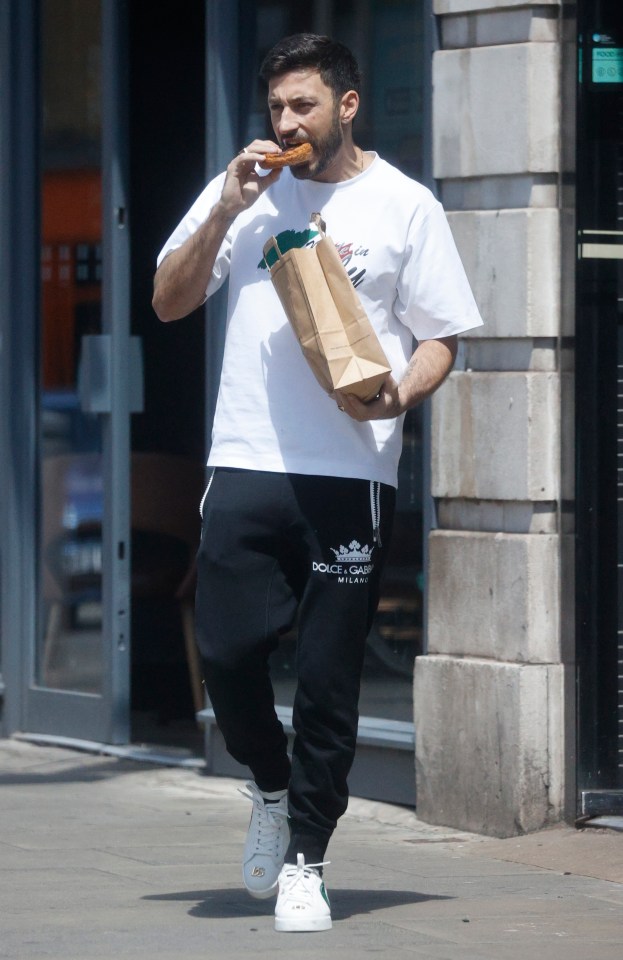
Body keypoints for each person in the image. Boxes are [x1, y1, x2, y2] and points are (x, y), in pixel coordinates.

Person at [153, 33, 483, 933]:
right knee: (224, 657)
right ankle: (267, 783)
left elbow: (442, 335)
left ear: (347, 105)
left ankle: (307, 857)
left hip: (349, 472)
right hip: (247, 460)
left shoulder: (403, 205)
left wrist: (396, 394)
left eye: (302, 105)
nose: (285, 124)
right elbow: (170, 300)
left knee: (330, 679)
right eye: (274, 110)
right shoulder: (246, 195)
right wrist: (224, 206)